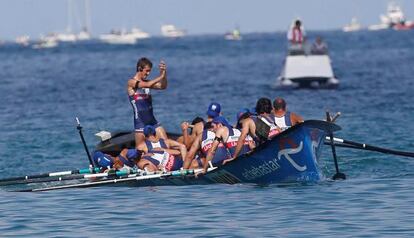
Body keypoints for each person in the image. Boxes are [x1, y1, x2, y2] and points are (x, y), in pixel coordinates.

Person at [127, 57, 168, 149]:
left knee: (166, 145)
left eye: (150, 71)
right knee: (140, 153)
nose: (148, 73)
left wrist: (163, 73)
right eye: (147, 71)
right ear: (139, 69)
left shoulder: (148, 82)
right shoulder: (131, 82)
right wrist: (160, 77)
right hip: (140, 123)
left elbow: (163, 86)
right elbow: (147, 85)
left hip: (153, 122)